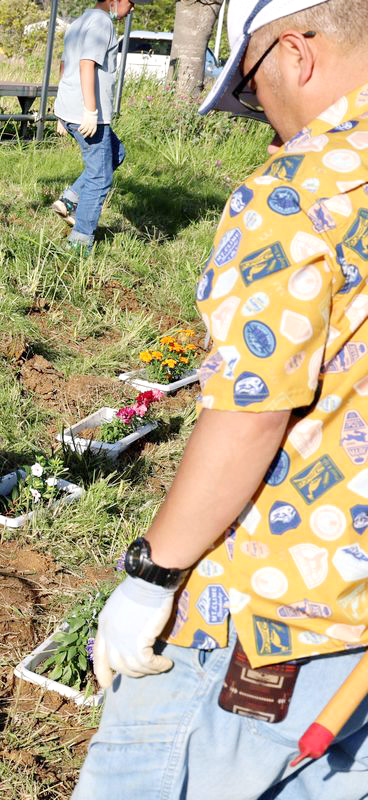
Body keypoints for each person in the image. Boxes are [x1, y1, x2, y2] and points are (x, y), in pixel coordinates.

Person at [75, 0, 368, 796]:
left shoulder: (299, 192)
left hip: (262, 630)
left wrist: (152, 577)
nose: (255, 112)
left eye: (250, 84)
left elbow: (252, 410)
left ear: (296, 55)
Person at [50, 0, 148, 252]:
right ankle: (80, 241)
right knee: (100, 176)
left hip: (70, 109)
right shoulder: (102, 22)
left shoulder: (80, 21)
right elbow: (86, 64)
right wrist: (90, 111)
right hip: (88, 113)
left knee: (117, 152)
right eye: (131, 2)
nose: (133, 8)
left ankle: (70, 200)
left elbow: (64, 65)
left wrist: (61, 111)